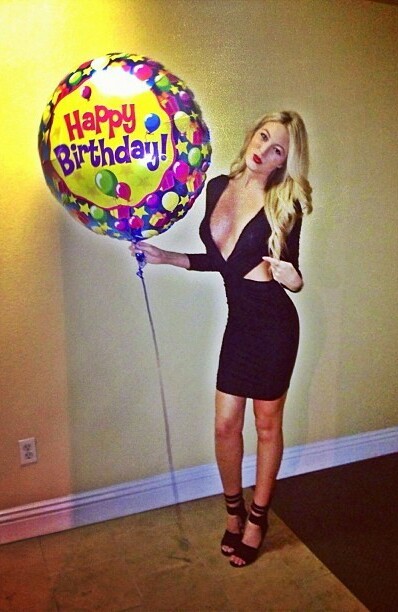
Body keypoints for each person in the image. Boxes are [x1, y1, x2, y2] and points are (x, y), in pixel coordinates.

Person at [130, 110, 312, 567]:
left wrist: (292, 279)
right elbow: (220, 261)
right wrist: (167, 256)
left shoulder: (284, 204)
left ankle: (257, 519)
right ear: (252, 134)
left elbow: (293, 274)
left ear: (283, 162)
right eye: (263, 137)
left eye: (277, 149)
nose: (264, 150)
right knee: (225, 426)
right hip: (240, 325)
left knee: (267, 426)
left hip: (274, 327)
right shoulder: (217, 189)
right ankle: (234, 512)